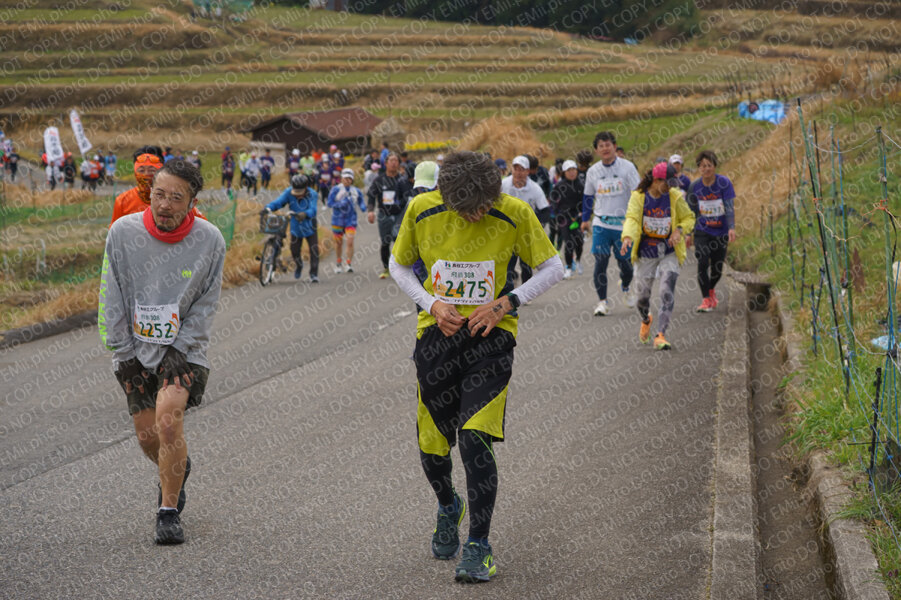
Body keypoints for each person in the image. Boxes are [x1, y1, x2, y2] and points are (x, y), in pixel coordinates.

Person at [389, 151, 563, 583]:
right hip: (437, 336)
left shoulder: (514, 212)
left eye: (483, 208)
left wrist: (508, 302)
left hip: (491, 337)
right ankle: (449, 505)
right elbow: (398, 264)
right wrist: (431, 302)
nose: (475, 216)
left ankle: (479, 545)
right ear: (445, 196)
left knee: (473, 438)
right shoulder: (421, 208)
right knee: (433, 448)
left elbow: (553, 267)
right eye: (465, 210)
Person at [98, 158, 225, 545]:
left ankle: (167, 513)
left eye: (176, 198)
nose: (165, 205)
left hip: (185, 353)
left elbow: (206, 303)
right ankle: (177, 466)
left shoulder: (210, 240)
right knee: (148, 437)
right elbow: (111, 295)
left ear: (192, 202)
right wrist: (125, 352)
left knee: (169, 420)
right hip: (134, 350)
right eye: (159, 194)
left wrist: (179, 347)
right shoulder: (123, 233)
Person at [620, 162, 695, 350]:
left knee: (666, 290)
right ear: (656, 180)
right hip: (646, 251)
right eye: (667, 183)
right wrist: (627, 237)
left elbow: (689, 217)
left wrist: (679, 230)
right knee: (642, 298)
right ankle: (646, 319)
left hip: (669, 250)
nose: (670, 187)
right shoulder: (639, 197)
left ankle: (661, 334)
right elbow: (632, 219)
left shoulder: (674, 197)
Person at [581, 131, 641, 316]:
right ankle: (603, 302)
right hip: (601, 223)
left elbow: (638, 194)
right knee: (600, 262)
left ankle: (625, 285)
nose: (605, 148)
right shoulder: (593, 171)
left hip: (624, 225)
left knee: (626, 265)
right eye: (601, 146)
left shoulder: (628, 168)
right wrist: (585, 219)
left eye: (608, 145)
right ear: (596, 150)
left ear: (614, 146)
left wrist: (639, 219)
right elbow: (588, 196)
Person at [687, 150, 736, 312]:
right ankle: (706, 299)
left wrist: (731, 228)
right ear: (698, 168)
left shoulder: (724, 183)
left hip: (720, 231)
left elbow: (729, 207)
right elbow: (691, 212)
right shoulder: (694, 187)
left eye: (709, 165)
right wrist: (688, 233)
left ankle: (711, 289)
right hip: (702, 230)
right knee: (702, 261)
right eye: (702, 166)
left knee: (717, 268)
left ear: (714, 166)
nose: (706, 169)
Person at [111, 148, 205, 226]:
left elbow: (204, 228)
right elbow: (115, 233)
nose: (146, 174)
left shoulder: (181, 204)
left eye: (152, 170)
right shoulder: (123, 201)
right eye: (141, 170)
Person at [501, 155, 549, 284]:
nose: (518, 172)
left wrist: (537, 227)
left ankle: (526, 290)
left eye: (522, 169)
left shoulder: (535, 188)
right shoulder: (503, 184)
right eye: (516, 169)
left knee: (526, 265)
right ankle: (508, 290)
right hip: (506, 231)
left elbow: (545, 210)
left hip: (525, 232)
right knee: (507, 264)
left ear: (528, 171)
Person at [265, 174, 320, 282]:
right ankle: (299, 265)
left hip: (309, 224)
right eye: (296, 192)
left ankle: (313, 274)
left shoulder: (312, 194)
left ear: (306, 188)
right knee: (294, 250)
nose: (298, 195)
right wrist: (268, 208)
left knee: (314, 249)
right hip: (296, 226)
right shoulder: (288, 192)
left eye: (300, 192)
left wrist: (305, 214)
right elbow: (279, 202)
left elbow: (313, 209)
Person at [366, 152, 411, 279]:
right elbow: (371, 196)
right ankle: (386, 268)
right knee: (385, 242)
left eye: (396, 160)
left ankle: (401, 268)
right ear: (385, 163)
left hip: (400, 215)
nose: (394, 163)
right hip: (384, 215)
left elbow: (409, 196)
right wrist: (370, 211)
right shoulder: (379, 180)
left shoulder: (403, 180)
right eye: (391, 160)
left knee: (400, 241)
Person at [327, 168, 366, 273]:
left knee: (350, 241)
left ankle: (348, 264)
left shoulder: (356, 191)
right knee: (338, 243)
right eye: (345, 178)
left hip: (351, 220)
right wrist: (340, 204)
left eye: (349, 178)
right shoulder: (336, 189)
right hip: (337, 220)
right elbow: (329, 203)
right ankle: (338, 262)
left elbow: (361, 201)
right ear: (341, 178)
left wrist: (363, 206)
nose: (347, 180)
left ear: (352, 179)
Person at [550, 160, 585, 279]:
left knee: (579, 242)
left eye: (573, 170)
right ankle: (569, 268)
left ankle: (578, 260)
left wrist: (584, 214)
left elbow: (586, 201)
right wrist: (557, 214)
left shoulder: (581, 185)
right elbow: (553, 201)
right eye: (569, 170)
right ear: (564, 172)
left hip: (578, 218)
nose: (571, 172)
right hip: (564, 219)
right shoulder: (559, 186)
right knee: (569, 243)